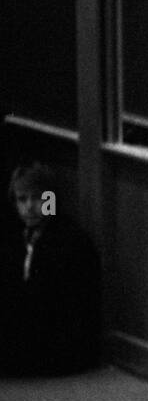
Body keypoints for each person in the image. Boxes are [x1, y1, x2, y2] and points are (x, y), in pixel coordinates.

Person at [0, 161, 101, 376]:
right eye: (22, 199)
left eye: (37, 198)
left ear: (51, 200)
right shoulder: (15, 236)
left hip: (60, 340)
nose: (29, 207)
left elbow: (54, 303)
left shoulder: (69, 241)